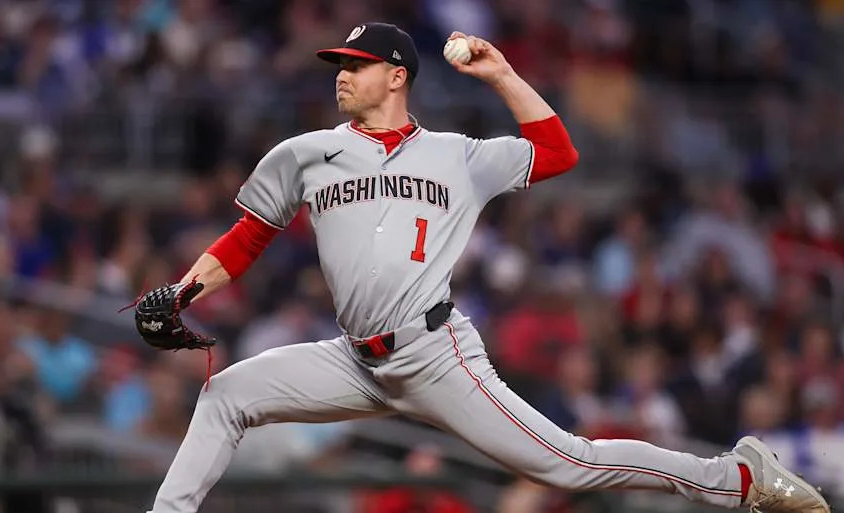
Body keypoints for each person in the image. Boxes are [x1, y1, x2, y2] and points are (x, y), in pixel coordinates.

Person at [139, 23, 829, 513]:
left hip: (436, 356)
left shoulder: (458, 155)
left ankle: (737, 477)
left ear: (397, 75)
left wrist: (500, 74)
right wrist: (183, 290)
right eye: (339, 64)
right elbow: (246, 238)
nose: (343, 74)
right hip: (352, 360)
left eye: (357, 63)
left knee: (570, 462)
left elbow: (557, 151)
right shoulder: (306, 153)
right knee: (225, 396)